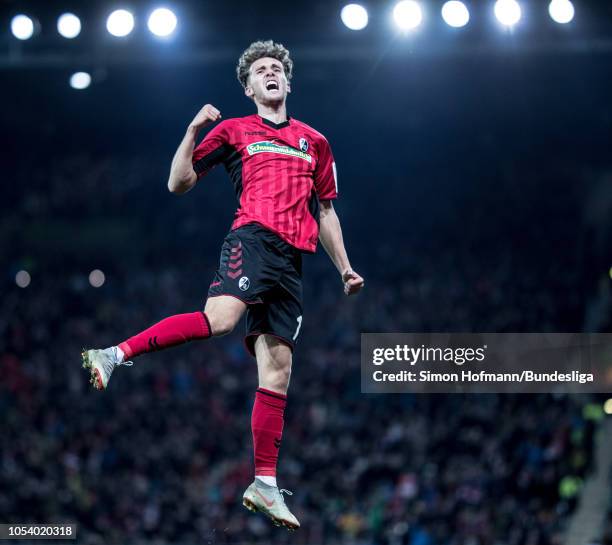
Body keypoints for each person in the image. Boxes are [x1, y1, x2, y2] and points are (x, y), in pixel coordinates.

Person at [82, 40, 364, 530]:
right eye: (261, 70)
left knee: (278, 371)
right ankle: (114, 353)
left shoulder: (315, 141)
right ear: (249, 86)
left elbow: (326, 212)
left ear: (288, 82)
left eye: (278, 68)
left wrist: (344, 268)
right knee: (220, 321)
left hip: (292, 261)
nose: (271, 73)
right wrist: (193, 131)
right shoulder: (234, 130)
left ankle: (265, 485)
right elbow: (178, 183)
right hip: (252, 238)